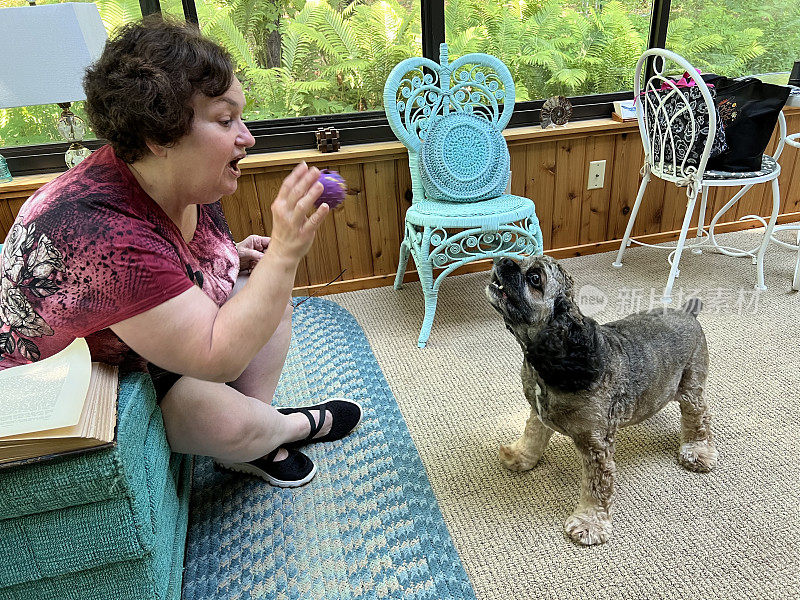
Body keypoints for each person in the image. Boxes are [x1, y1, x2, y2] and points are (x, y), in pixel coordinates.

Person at [0, 17, 361, 488]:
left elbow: (164, 258)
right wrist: (288, 251)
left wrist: (230, 255)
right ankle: (292, 426)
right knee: (235, 412)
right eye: (226, 120)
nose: (247, 137)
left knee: (261, 286)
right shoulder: (96, 232)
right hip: (81, 381)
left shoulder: (180, 178)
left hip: (144, 341)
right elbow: (217, 357)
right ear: (159, 136)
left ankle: (255, 434)